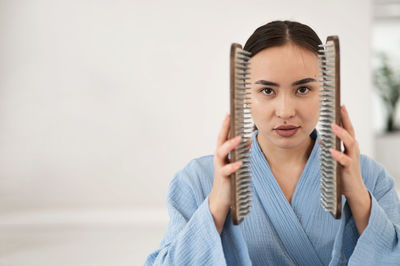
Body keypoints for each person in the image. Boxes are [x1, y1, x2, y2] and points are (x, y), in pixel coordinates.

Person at [144, 20, 400, 265]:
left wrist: (358, 197)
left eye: (303, 89)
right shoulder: (197, 180)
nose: (286, 110)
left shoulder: (370, 178)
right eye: (267, 91)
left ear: (324, 93)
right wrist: (216, 206)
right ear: (244, 95)